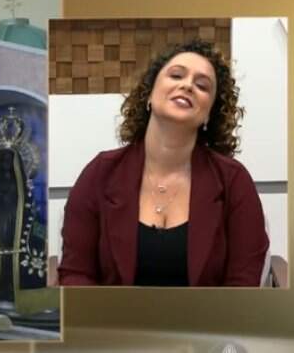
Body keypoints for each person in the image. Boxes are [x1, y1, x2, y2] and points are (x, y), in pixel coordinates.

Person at [58, 39, 268, 287]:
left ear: (209, 114)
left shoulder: (234, 181)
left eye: (202, 85)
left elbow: (243, 285)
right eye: (176, 75)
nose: (187, 85)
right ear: (149, 94)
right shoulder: (100, 173)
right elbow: (76, 273)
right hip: (109, 313)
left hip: (209, 314)